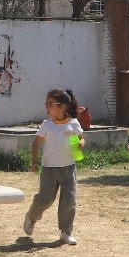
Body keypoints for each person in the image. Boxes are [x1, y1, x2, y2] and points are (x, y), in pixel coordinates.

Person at [21, 87, 83, 245]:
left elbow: (81, 138)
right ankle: (32, 216)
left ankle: (66, 232)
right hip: (49, 169)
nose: (46, 107)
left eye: (50, 104)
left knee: (69, 201)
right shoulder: (47, 125)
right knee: (45, 200)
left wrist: (81, 143)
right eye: (46, 104)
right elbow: (36, 145)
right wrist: (34, 162)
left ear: (61, 106)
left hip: (69, 168)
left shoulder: (73, 123)